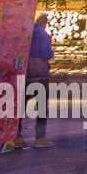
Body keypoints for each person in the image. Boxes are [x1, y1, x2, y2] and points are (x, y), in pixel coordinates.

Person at [19, 14, 54, 148]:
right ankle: (40, 138)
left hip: (24, 73)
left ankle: (17, 137)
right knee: (41, 107)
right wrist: (51, 53)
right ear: (45, 23)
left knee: (21, 106)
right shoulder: (43, 35)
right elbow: (46, 53)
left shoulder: (25, 33)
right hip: (39, 74)